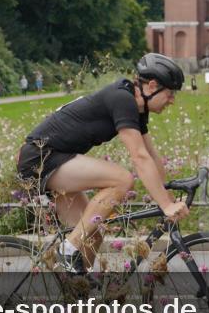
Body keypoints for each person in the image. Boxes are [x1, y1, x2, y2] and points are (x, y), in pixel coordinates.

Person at [17, 53, 187, 272]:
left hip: (57, 157)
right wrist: (166, 205)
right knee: (122, 179)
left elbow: (152, 156)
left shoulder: (137, 107)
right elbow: (139, 157)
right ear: (152, 85)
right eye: (170, 92)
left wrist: (169, 201)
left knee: (93, 235)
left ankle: (78, 294)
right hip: (41, 158)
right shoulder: (122, 99)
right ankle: (68, 249)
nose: (172, 100)